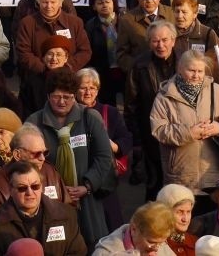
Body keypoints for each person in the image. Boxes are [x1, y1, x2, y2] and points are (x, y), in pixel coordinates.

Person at [26, 68, 114, 246]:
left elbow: (104, 157)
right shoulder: (34, 123)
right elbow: (27, 162)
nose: (62, 102)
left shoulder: (90, 118)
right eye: (56, 96)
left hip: (87, 200)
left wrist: (87, 186)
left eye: (67, 97)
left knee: (92, 245)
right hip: (49, 201)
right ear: (48, 96)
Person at [150, 49, 219, 212]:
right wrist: (189, 133)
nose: (196, 75)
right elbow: (158, 129)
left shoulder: (217, 91)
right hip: (180, 175)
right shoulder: (165, 96)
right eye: (191, 71)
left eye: (200, 71)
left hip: (212, 173)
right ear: (180, 69)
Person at [0, 160, 87, 256]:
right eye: (22, 188)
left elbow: (78, 252)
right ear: (11, 190)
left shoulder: (66, 214)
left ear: (41, 186)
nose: (29, 193)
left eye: (35, 186)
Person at [124, 20, 177, 201]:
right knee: (155, 185)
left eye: (164, 40)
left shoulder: (184, 62)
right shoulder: (140, 65)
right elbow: (131, 106)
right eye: (155, 41)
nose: (160, 45)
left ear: (173, 40)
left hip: (180, 132)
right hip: (151, 135)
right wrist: (138, 140)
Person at [76, 68, 131, 229]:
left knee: (112, 224)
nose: (88, 92)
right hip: (79, 177)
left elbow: (126, 139)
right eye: (83, 87)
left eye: (92, 88)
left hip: (105, 179)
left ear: (98, 90)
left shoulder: (110, 112)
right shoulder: (69, 113)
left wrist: (113, 145)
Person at [0, 123, 72, 211]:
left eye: (45, 153)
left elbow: (68, 209)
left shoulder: (50, 171)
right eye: (36, 154)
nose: (42, 158)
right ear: (17, 155)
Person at [16, 0, 91, 79]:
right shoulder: (27, 23)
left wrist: (66, 68)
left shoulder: (75, 22)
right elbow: (23, 52)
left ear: (60, 3)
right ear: (38, 2)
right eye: (45, 2)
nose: (49, 6)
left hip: (68, 78)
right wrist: (44, 69)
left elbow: (85, 51)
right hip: (37, 80)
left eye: (53, 2)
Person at [117, 0, 174, 73]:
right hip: (141, 76)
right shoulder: (127, 20)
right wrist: (138, 70)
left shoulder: (172, 14)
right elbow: (122, 55)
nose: (149, 0)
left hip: (170, 72)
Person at [84, 0, 123, 106]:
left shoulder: (125, 21)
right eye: (100, 3)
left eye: (107, 1)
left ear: (113, 3)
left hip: (124, 70)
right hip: (103, 73)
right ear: (94, 6)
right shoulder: (90, 26)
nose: (105, 5)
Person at [92, 201, 175, 255]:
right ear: (134, 229)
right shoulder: (105, 253)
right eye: (151, 242)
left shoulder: (161, 246)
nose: (156, 249)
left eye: (160, 243)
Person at [155, 184, 197, 255]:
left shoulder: (197, 243)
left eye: (188, 212)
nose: (185, 219)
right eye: (180, 212)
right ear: (164, 212)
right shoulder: (153, 242)